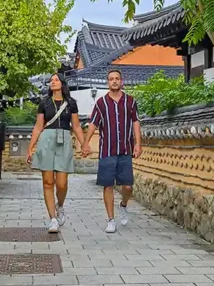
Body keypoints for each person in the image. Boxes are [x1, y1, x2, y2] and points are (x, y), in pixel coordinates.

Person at [83, 68, 141, 233]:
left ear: (121, 81)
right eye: (111, 79)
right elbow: (93, 124)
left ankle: (123, 205)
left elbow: (136, 122)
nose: (114, 81)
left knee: (128, 187)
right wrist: (86, 143)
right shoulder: (101, 103)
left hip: (125, 149)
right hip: (107, 150)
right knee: (107, 185)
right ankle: (110, 219)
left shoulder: (130, 101)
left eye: (117, 78)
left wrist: (138, 144)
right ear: (108, 82)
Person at [27, 73, 86, 233]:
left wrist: (84, 144)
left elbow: (76, 126)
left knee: (62, 183)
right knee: (47, 182)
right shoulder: (44, 103)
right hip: (46, 140)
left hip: (64, 140)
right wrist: (31, 148)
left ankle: (60, 206)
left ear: (62, 83)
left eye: (56, 79)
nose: (52, 82)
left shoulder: (71, 103)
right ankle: (52, 219)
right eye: (51, 80)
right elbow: (38, 127)